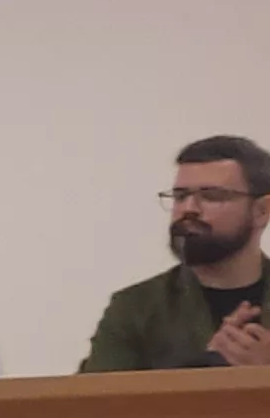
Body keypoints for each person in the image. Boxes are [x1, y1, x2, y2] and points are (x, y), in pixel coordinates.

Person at [81, 135, 270, 371]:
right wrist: (207, 366)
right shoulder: (135, 307)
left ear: (261, 211)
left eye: (211, 196)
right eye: (181, 196)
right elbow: (96, 402)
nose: (188, 209)